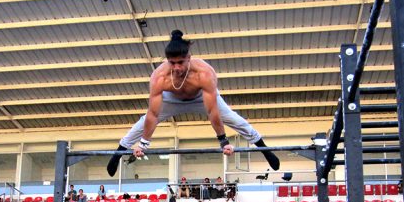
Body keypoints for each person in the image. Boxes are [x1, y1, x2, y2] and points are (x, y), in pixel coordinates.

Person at [106, 30, 280, 176]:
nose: (176, 68)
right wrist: (144, 143)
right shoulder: (159, 77)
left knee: (236, 120)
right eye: (172, 63)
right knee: (142, 123)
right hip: (171, 98)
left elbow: (213, 111)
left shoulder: (204, 73)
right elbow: (153, 114)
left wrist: (223, 141)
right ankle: (117, 155)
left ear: (189, 58)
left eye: (180, 62)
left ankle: (265, 150)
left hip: (200, 97)